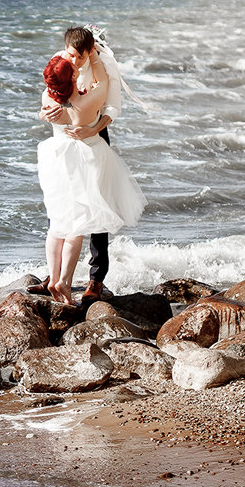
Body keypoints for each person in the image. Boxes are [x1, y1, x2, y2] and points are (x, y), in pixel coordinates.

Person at [34, 52, 145, 306]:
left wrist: (44, 113)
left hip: (56, 161)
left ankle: (56, 278)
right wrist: (96, 56)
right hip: (84, 161)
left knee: (57, 225)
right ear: (72, 77)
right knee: (78, 226)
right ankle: (63, 281)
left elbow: (53, 100)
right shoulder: (83, 103)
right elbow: (105, 87)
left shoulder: (48, 97)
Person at [41, 26, 125, 305]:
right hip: (73, 132)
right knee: (67, 210)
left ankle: (95, 278)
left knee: (96, 206)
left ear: (90, 51)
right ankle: (57, 277)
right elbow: (54, 90)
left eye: (79, 57)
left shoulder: (106, 64)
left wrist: (92, 129)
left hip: (92, 133)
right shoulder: (63, 60)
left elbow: (112, 108)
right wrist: (53, 111)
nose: (73, 62)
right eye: (70, 56)